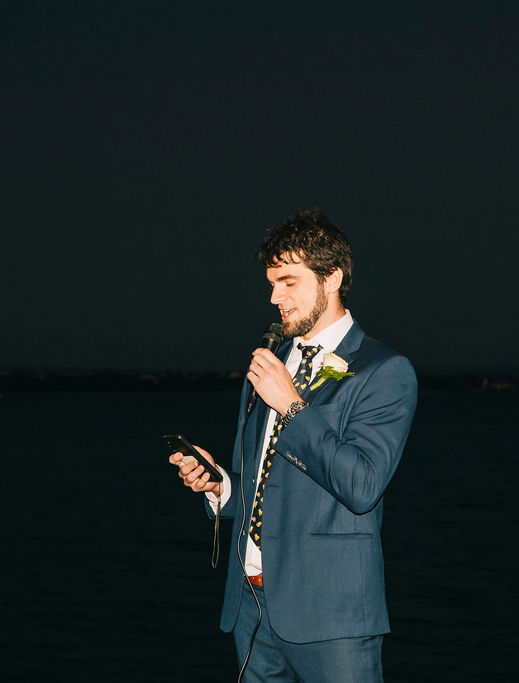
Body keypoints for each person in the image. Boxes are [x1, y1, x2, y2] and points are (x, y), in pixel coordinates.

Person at [170, 209, 417, 682]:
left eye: (288, 282)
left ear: (332, 278)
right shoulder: (271, 363)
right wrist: (220, 486)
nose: (274, 297)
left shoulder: (384, 371)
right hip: (251, 608)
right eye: (271, 283)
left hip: (332, 617)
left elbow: (362, 486)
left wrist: (291, 406)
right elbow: (264, 483)